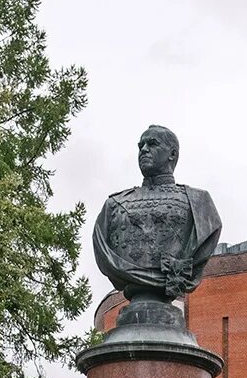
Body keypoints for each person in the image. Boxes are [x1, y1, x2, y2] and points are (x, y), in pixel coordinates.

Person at [92, 125, 221, 301]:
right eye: (140, 146)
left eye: (152, 144)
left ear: (172, 154)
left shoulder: (199, 203)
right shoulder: (113, 205)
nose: (144, 150)